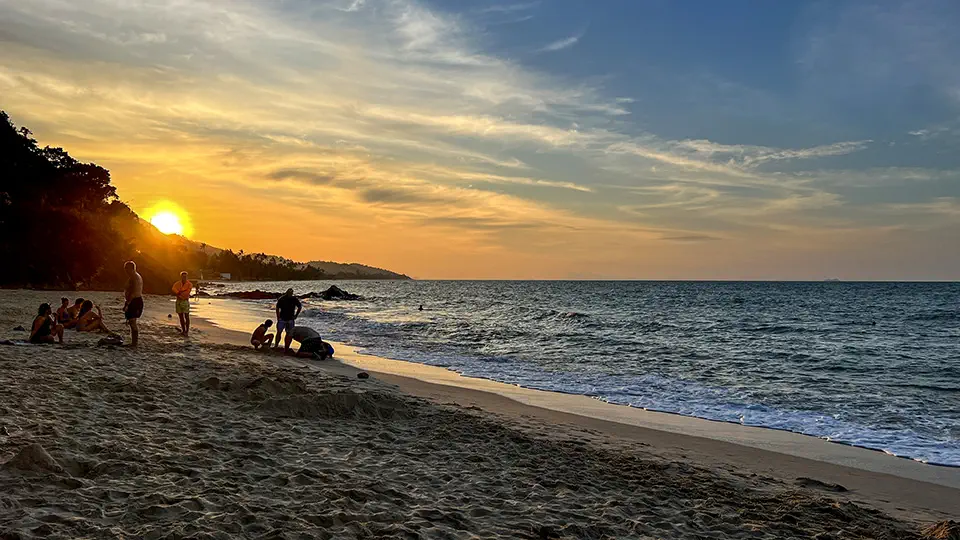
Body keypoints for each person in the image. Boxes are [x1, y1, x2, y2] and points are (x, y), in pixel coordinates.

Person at [274, 288, 302, 352]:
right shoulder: (282, 299)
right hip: (282, 318)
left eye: (291, 293)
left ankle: (286, 347)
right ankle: (276, 345)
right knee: (279, 332)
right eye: (289, 293)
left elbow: (299, 307)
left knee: (289, 334)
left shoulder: (294, 299)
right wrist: (278, 317)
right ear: (287, 292)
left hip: (290, 319)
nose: (290, 294)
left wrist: (296, 315)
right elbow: (277, 308)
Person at [124, 261, 144, 347]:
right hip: (135, 300)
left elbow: (133, 292)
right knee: (132, 321)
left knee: (132, 322)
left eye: (126, 269)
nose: (125, 271)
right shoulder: (136, 276)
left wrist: (127, 304)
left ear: (130, 268)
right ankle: (133, 342)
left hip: (135, 301)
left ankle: (134, 343)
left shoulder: (134, 278)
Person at [172, 271, 193, 336]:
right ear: (181, 277)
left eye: (185, 276)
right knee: (181, 316)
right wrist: (179, 292)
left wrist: (179, 292)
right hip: (178, 301)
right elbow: (173, 289)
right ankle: (183, 330)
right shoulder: (177, 283)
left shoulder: (189, 284)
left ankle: (187, 331)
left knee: (186, 316)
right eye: (183, 276)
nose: (184, 277)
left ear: (187, 277)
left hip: (185, 301)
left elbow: (187, 292)